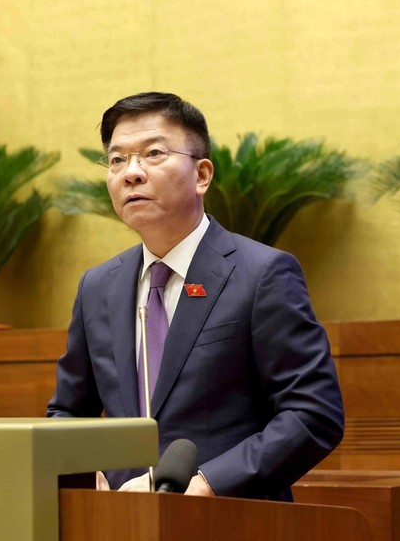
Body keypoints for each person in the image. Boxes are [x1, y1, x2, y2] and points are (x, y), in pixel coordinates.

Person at [46, 92, 344, 500]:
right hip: (117, 520)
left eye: (153, 154)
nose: (131, 172)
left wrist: (206, 483)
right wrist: (82, 468)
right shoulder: (98, 287)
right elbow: (67, 412)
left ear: (202, 175)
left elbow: (313, 415)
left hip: (228, 519)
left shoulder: (262, 274)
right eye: (117, 160)